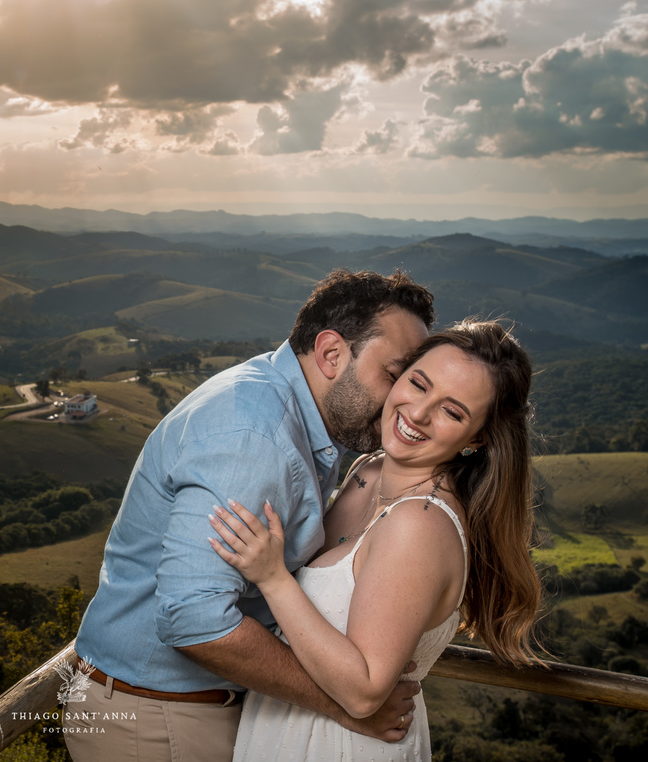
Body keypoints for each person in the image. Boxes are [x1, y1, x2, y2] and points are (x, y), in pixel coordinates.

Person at [65, 269, 435, 762]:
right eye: (393, 375)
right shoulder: (256, 437)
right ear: (331, 353)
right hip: (159, 720)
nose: (401, 401)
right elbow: (194, 619)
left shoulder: (288, 407)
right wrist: (346, 706)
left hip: (169, 709)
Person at [209, 319, 543, 761]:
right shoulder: (368, 470)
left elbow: (365, 692)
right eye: (418, 384)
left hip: (342, 745)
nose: (418, 413)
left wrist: (272, 578)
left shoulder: (419, 524)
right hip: (284, 724)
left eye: (452, 412)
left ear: (477, 438)